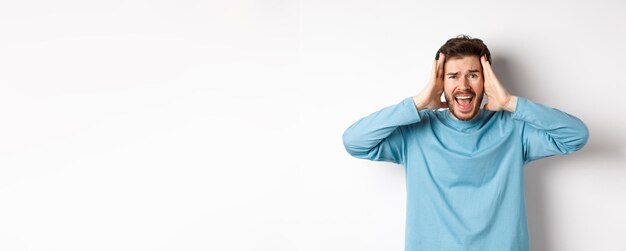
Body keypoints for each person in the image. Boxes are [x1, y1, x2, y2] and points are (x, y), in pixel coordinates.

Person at [342, 35, 589, 251]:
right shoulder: (416, 131)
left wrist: (509, 101)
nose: (463, 85)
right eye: (453, 76)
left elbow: (576, 135)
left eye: (473, 75)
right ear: (441, 82)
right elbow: (355, 141)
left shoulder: (513, 129)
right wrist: (418, 101)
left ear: (487, 81)